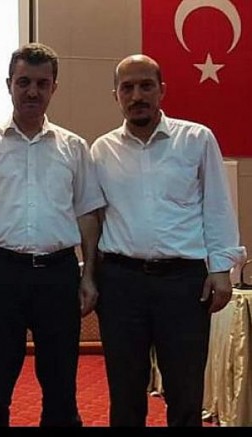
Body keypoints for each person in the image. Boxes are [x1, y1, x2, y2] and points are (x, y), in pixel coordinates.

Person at [0, 43, 105, 427]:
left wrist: (89, 275)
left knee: (61, 386)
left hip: (58, 275)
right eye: (23, 82)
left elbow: (88, 214)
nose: (32, 91)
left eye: (41, 83)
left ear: (54, 87)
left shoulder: (74, 147)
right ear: (9, 84)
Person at [90, 54, 247, 427]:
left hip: (183, 284)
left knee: (185, 393)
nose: (137, 95)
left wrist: (221, 269)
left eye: (146, 86)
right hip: (121, 283)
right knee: (125, 394)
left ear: (162, 90)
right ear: (115, 95)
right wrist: (90, 276)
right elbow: (95, 220)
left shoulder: (196, 139)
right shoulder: (101, 150)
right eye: (127, 88)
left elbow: (217, 206)